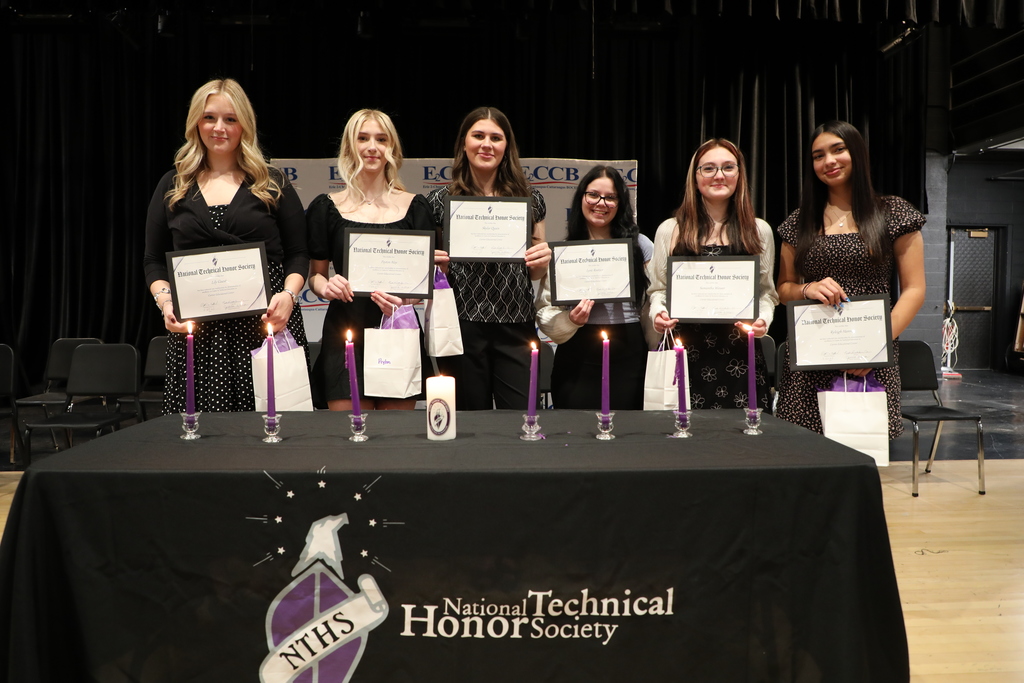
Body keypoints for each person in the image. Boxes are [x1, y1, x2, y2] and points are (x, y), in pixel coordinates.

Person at [144, 78, 308, 413]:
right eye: (209, 118)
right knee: (202, 440)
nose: (219, 128)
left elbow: (298, 254)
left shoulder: (271, 182)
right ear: (196, 123)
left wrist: (289, 297)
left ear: (244, 125)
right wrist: (165, 302)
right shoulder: (173, 184)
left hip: (265, 327)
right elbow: (153, 260)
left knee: (270, 435)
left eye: (230, 119)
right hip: (200, 337)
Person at [775, 120, 926, 437]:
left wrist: (874, 347)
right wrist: (807, 287)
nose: (828, 161)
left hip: (869, 357)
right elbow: (784, 289)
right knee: (803, 456)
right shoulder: (798, 222)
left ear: (856, 152)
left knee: (860, 457)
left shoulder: (893, 213)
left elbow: (914, 290)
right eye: (818, 155)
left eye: (838, 150)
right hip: (810, 356)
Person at [306, 109, 437, 411]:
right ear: (350, 146)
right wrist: (325, 287)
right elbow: (316, 275)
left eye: (381, 139)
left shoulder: (416, 207)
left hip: (396, 328)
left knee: (395, 444)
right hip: (344, 330)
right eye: (362, 138)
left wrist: (407, 296)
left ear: (392, 148)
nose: (372, 147)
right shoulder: (326, 207)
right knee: (349, 442)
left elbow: (423, 282)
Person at [426, 107, 551, 410]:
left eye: (496, 138)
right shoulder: (439, 201)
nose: (487, 144)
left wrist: (542, 262)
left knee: (522, 422)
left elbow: (534, 276)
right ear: (464, 142)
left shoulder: (530, 199)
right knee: (470, 426)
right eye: (478, 136)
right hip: (460, 327)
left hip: (516, 324)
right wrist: (435, 267)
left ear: (507, 146)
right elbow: (428, 273)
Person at [648, 139, 779, 410]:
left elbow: (766, 293)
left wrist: (763, 319)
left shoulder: (759, 230)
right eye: (708, 168)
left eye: (728, 167)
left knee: (744, 447)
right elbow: (658, 290)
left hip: (741, 356)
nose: (719, 175)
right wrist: (658, 315)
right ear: (695, 178)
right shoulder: (669, 230)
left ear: (739, 175)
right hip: (684, 353)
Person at [536, 166, 651, 409]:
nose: (601, 203)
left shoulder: (641, 246)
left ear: (620, 203)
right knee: (575, 435)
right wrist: (570, 320)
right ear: (582, 198)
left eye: (611, 197)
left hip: (629, 354)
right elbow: (544, 311)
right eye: (593, 195)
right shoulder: (565, 251)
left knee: (625, 436)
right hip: (577, 354)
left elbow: (657, 298)